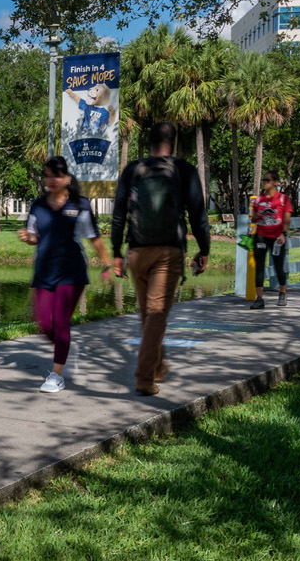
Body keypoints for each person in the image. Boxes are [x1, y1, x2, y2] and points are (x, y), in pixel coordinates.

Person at [110, 122, 211, 397]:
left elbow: (118, 214)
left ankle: (159, 366)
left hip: (137, 252)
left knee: (149, 315)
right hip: (168, 253)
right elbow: (198, 215)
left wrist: (116, 252)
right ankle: (144, 378)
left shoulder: (133, 170)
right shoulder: (183, 169)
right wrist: (204, 249)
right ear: (174, 143)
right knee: (155, 315)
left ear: (149, 142)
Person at [18, 156, 113, 393]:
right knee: (43, 323)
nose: (50, 180)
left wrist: (107, 264)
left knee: (60, 322)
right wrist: (28, 238)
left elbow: (94, 238)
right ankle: (68, 348)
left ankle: (56, 375)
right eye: (47, 175)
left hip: (71, 271)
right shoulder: (38, 205)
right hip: (44, 270)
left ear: (67, 178)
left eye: (56, 175)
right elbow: (34, 236)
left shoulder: (80, 205)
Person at [248, 171, 294, 309]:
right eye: (264, 180)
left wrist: (283, 233)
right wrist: (255, 217)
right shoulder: (258, 200)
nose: (265, 182)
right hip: (261, 236)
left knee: (278, 266)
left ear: (276, 182)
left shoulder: (282, 199)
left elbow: (287, 218)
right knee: (259, 267)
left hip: (276, 237)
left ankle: (282, 292)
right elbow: (253, 218)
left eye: (268, 180)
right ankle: (260, 298)